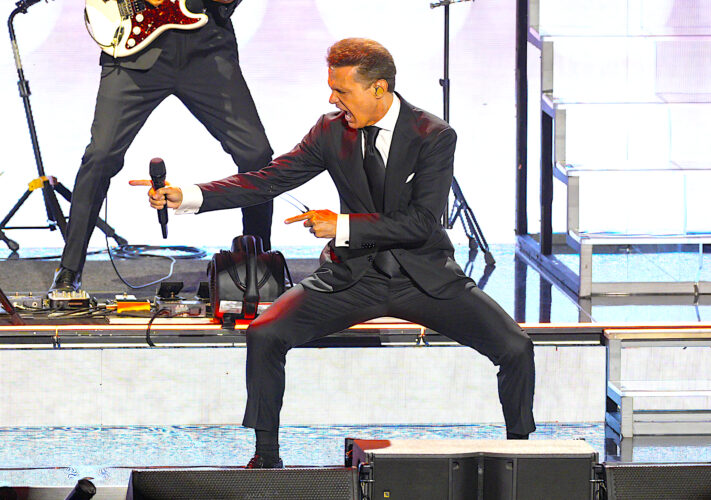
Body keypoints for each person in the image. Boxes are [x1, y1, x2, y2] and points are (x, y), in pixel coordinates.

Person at [135, 38, 536, 468]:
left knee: (516, 348)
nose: (332, 98)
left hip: (423, 276)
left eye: (342, 90)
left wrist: (341, 225)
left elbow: (422, 222)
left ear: (378, 89)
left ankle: (523, 456)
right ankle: (266, 458)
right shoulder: (330, 130)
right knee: (265, 333)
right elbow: (268, 180)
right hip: (353, 276)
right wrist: (189, 195)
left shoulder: (432, 135)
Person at [48, 0, 273, 294]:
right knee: (100, 156)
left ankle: (256, 264)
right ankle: (69, 270)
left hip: (206, 51)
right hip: (133, 51)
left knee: (256, 153)